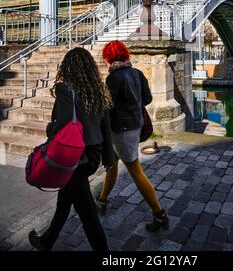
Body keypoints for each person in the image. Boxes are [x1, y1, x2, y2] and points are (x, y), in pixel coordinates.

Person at [28, 47, 114, 252]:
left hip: (75, 156)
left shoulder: (66, 90)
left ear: (67, 67)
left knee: (87, 213)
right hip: (93, 155)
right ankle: (46, 242)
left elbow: (63, 126)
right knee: (65, 201)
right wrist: (108, 154)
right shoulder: (97, 89)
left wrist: (50, 129)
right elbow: (106, 124)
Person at [95, 40, 169, 232]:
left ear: (109, 57)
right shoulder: (137, 73)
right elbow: (147, 98)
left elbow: (108, 108)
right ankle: (102, 199)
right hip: (136, 125)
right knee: (112, 165)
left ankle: (159, 213)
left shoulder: (113, 78)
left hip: (121, 130)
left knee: (135, 170)